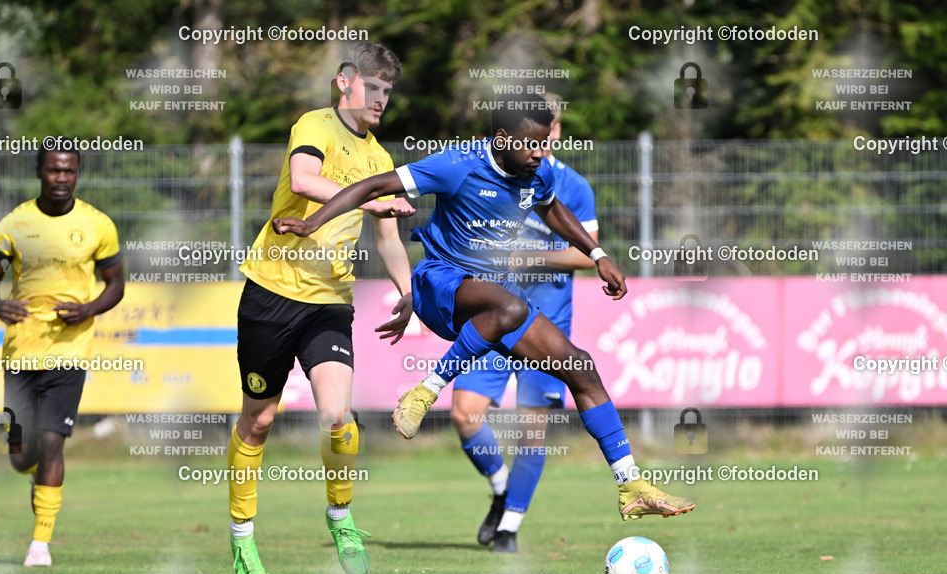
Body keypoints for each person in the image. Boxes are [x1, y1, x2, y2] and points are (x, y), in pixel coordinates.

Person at [274, 92, 694, 533]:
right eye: (531, 143)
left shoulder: (538, 172)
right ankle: (425, 390)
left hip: (496, 301)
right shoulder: (457, 164)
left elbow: (552, 208)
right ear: (501, 137)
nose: (540, 152)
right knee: (508, 306)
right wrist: (312, 222)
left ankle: (631, 487)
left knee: (580, 368)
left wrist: (597, 254)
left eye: (545, 141)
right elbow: (374, 186)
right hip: (441, 284)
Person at [227, 42, 415, 574]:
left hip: (329, 304)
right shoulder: (314, 125)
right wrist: (369, 200)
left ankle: (340, 519)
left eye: (388, 91)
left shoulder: (381, 161)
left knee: (338, 416)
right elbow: (306, 179)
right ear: (344, 82)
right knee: (258, 422)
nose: (381, 99)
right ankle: (242, 535)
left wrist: (407, 292)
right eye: (373, 87)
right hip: (269, 293)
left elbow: (389, 238)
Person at [450, 94, 600, 553]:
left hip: (548, 321)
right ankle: (500, 489)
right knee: (463, 413)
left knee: (532, 431)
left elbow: (586, 253)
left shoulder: (571, 185)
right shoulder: (491, 172)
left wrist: (529, 256)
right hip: (496, 316)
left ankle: (510, 529)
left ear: (555, 129)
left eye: (547, 126)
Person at [0, 144, 125, 567]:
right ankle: (30, 467)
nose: (62, 178)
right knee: (21, 455)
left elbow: (115, 285)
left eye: (70, 171)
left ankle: (39, 545)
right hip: (21, 353)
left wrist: (89, 309)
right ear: (39, 172)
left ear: (78, 173)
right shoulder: (15, 224)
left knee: (52, 443)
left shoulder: (98, 225)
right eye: (54, 171)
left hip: (69, 353)